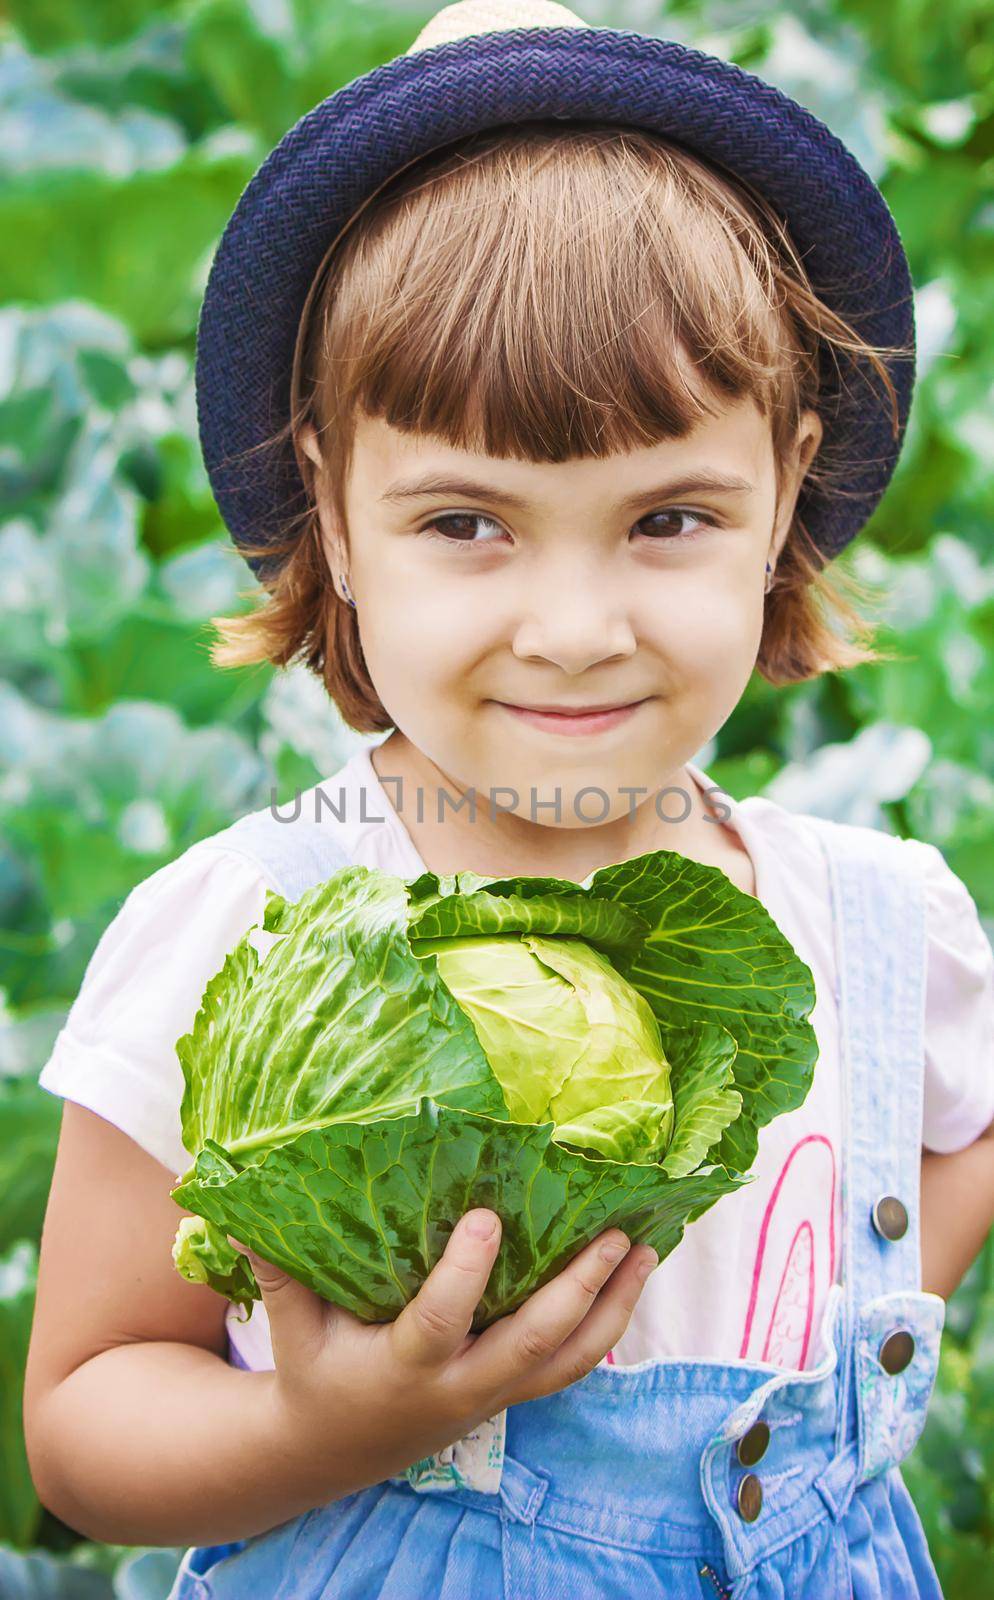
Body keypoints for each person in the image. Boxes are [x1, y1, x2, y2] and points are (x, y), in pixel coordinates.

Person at [23, 3, 994, 1596]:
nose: (571, 625)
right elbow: (79, 1414)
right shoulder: (239, 937)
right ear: (334, 518)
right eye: (468, 524)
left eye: (668, 518)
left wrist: (834, 1353)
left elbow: (945, 1137)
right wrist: (326, 1428)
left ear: (783, 495)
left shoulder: (876, 921)